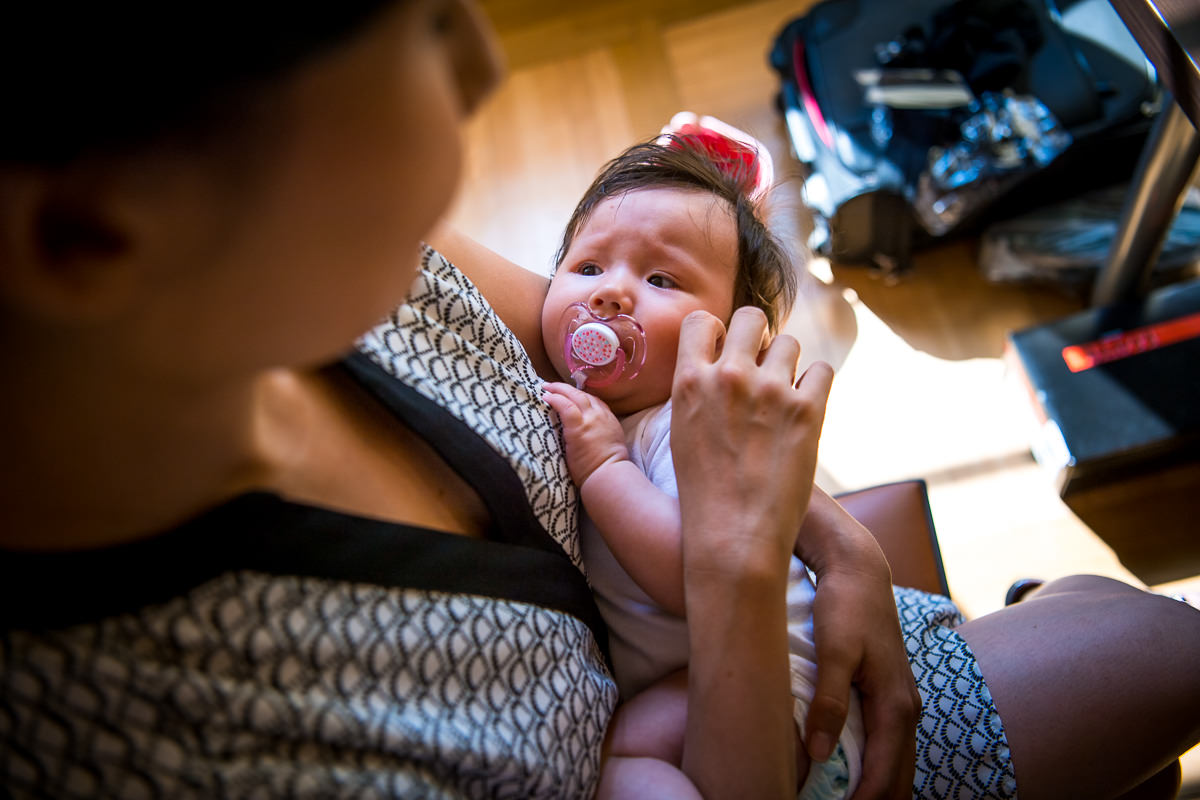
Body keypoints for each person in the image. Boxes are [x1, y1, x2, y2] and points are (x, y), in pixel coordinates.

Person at [0, 2, 1197, 799]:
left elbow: (657, 360)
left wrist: (818, 529)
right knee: (1151, 645)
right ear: (95, 233)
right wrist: (733, 564)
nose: (480, 61)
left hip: (745, 644)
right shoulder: (182, 741)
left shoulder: (348, 261)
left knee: (1111, 623)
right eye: (412, 24)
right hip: (739, 740)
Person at [537, 130, 865, 798]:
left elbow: (694, 576)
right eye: (588, 267)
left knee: (617, 762)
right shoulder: (612, 412)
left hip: (785, 702)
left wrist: (602, 466)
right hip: (705, 689)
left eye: (661, 279)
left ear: (727, 337)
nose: (611, 295)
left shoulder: (680, 431)